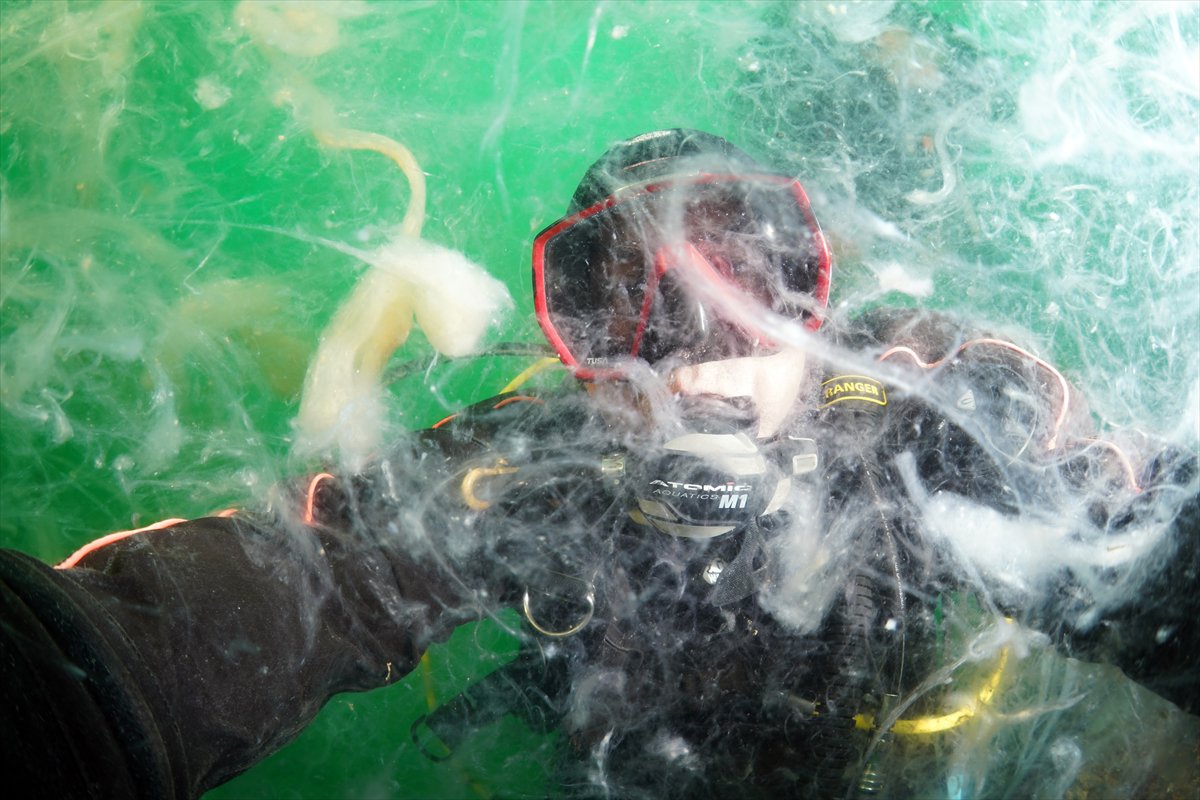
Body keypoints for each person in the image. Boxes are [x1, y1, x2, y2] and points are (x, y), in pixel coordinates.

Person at [1, 129, 1196, 800]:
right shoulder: (538, 459)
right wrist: (62, 689)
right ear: (574, 344)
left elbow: (1116, 526)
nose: (699, 351)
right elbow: (315, 571)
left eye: (750, 281)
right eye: (629, 302)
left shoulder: (916, 405)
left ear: (817, 291)